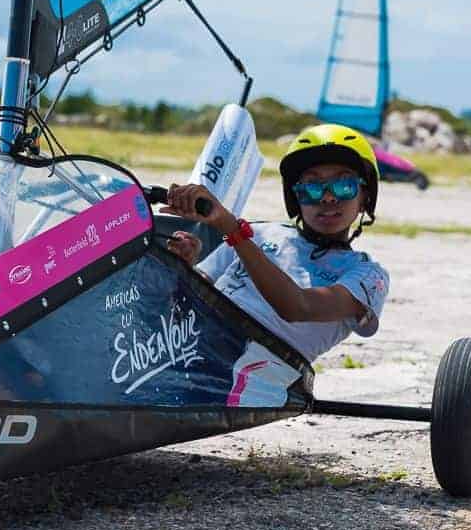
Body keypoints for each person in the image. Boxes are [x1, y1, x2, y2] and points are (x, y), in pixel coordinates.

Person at [161, 123, 390, 368]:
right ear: (296, 197)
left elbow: (297, 307)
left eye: (343, 185)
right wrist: (184, 268)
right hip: (191, 351)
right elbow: (185, 307)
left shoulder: (367, 275)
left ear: (365, 196)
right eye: (312, 187)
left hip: (258, 376)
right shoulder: (258, 233)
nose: (327, 197)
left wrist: (232, 230)